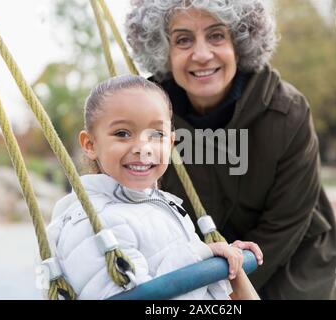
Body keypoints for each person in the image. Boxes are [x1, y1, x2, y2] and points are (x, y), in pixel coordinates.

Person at [125, 0, 336, 299]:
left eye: (216, 36)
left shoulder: (287, 112)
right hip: (193, 270)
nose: (201, 55)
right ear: (164, 50)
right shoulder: (146, 117)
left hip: (288, 267)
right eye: (183, 39)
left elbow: (286, 223)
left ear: (241, 42)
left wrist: (225, 288)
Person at [46, 75, 263, 300]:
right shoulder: (93, 224)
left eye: (157, 134)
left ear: (170, 142)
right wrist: (204, 254)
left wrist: (226, 261)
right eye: (122, 133)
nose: (143, 148)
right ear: (90, 145)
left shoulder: (161, 203)